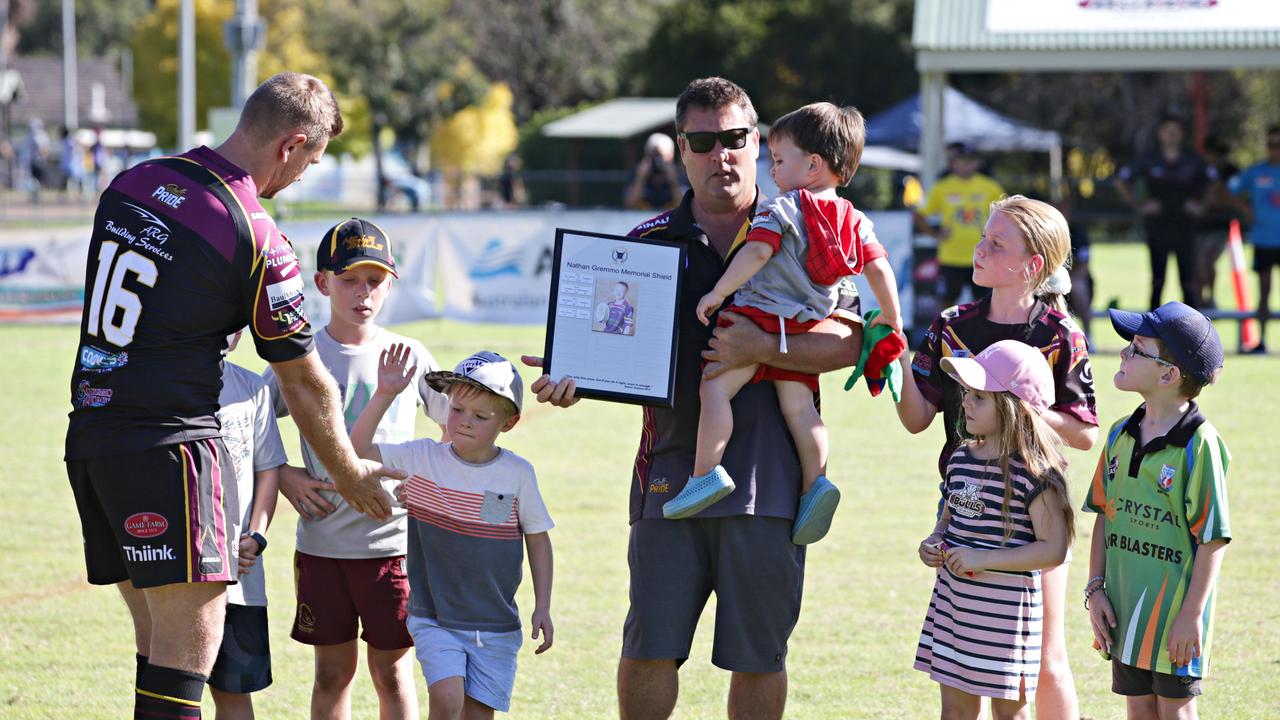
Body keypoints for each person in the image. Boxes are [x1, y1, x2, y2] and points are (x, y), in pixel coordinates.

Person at [522, 76, 865, 720]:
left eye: (734, 138)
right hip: (671, 471)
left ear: (757, 142)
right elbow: (616, 344)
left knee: (760, 655)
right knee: (650, 645)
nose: (721, 154)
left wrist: (757, 350)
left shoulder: (812, 221)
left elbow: (851, 346)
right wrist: (579, 371)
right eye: (702, 141)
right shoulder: (648, 242)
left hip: (774, 479)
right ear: (681, 149)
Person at [64, 72, 403, 720]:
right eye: (311, 160)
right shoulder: (255, 232)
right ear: (291, 144)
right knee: (187, 658)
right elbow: (304, 381)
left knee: (158, 651)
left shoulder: (130, 184)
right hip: (172, 449)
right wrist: (349, 471)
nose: (304, 175)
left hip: (93, 440)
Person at [663, 101, 902, 547]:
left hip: (756, 314)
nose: (772, 170)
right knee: (801, 410)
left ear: (812, 164)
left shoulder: (782, 209)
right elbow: (879, 268)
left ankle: (704, 474)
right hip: (804, 328)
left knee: (715, 388)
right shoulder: (856, 219)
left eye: (778, 160)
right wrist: (892, 316)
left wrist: (718, 292)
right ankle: (817, 483)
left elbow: (756, 253)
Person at [896, 195, 1099, 720]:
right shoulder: (951, 324)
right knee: (959, 664)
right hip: (966, 509)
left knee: (1043, 662)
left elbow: (1083, 434)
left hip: (1033, 517)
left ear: (1032, 266)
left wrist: (1019, 410)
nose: (979, 248)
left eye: (995, 243)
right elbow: (918, 419)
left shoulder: (1059, 334)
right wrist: (893, 356)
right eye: (983, 236)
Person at [263, 217, 449, 720]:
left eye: (374, 280)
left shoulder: (409, 355)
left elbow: (460, 429)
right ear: (322, 283)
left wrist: (429, 482)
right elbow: (252, 427)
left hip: (392, 545)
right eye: (348, 279)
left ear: (390, 285)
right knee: (331, 674)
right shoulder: (297, 358)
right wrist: (283, 474)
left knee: (392, 673)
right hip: (323, 542)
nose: (361, 292)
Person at [352, 348, 555, 719]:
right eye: (457, 409)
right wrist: (385, 394)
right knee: (446, 700)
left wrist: (543, 606)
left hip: (496, 623)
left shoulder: (518, 474)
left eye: (480, 416)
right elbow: (358, 449)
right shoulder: (423, 459)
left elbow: (538, 539)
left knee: (477, 715)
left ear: (507, 424)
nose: (463, 421)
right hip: (435, 617)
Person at [1084, 302, 1230, 720]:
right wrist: (1095, 590)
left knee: (1175, 712)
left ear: (1169, 375)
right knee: (1139, 711)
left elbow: (1213, 538)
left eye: (1137, 347)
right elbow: (1103, 515)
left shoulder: (1199, 444)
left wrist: (1191, 615)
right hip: (1125, 610)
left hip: (1174, 621)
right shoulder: (1119, 433)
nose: (1124, 353)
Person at [915, 340, 1074, 720]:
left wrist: (983, 558)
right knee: (954, 713)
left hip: (1005, 619)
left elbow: (1054, 549)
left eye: (979, 397)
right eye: (967, 394)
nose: (965, 402)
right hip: (955, 607)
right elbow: (949, 520)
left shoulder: (1035, 473)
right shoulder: (959, 458)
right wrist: (935, 542)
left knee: (1009, 715)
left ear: (1013, 406)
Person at [208, 330, 288, 719]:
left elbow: (268, 469)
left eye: (235, 322)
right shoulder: (159, 381)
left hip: (239, 581)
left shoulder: (252, 387)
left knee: (233, 692)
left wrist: (255, 536)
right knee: (176, 686)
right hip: (179, 573)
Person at [1114, 115, 1213, 310]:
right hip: (1158, 228)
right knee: (1158, 281)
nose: (1171, 135)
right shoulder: (1149, 158)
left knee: (1189, 283)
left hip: (1185, 227)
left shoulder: (1192, 159)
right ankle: (1152, 333)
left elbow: (1213, 181)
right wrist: (1140, 205)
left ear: (1181, 134)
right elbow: (1121, 181)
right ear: (1160, 134)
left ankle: (1192, 333)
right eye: (1168, 131)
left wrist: (1201, 206)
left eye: (1175, 131)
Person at [913, 142, 1005, 307]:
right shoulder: (942, 187)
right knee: (947, 302)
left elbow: (1007, 213)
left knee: (986, 303)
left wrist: (998, 240)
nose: (967, 165)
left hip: (983, 254)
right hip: (951, 257)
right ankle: (945, 332)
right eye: (962, 160)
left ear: (977, 163)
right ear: (953, 163)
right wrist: (934, 234)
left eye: (971, 160)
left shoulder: (989, 186)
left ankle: (984, 333)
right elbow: (920, 214)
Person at [1228, 125, 1280, 354]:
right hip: (1264, 240)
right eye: (1271, 145)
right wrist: (1245, 209)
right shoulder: (1256, 172)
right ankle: (1262, 340)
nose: (1274, 150)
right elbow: (1232, 189)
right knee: (1264, 292)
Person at [1195, 136, 1239, 310]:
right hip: (1199, 226)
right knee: (1199, 265)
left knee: (1208, 262)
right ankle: (1198, 302)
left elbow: (1233, 196)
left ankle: (1210, 298)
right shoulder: (1198, 170)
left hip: (1220, 225)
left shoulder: (1230, 172)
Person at [625, 132, 682, 210]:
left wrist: (673, 180)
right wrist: (640, 179)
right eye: (654, 155)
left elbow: (683, 205)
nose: (657, 160)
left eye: (661, 156)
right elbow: (630, 204)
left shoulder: (679, 174)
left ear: (671, 155)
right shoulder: (637, 173)